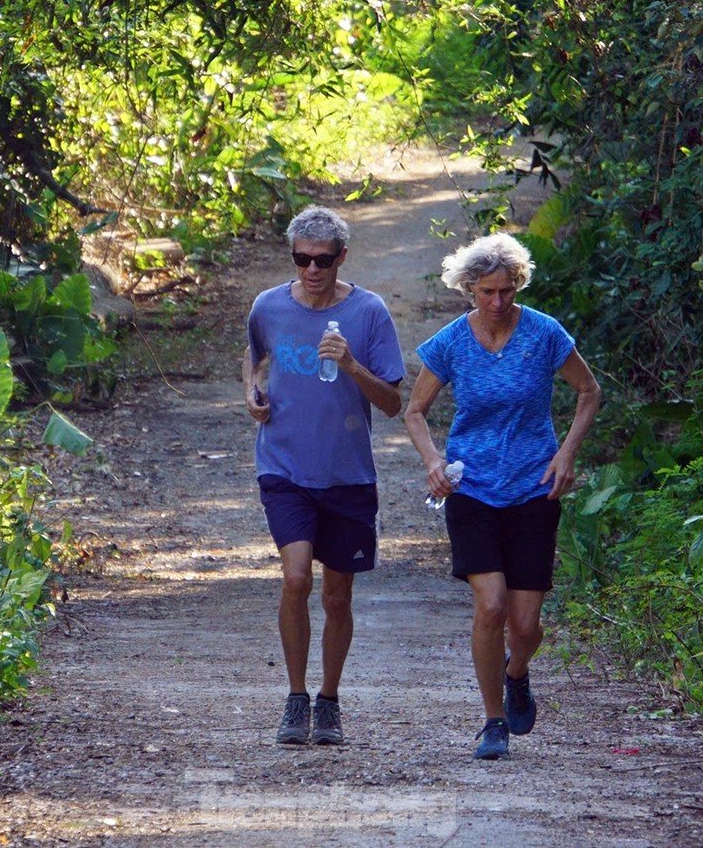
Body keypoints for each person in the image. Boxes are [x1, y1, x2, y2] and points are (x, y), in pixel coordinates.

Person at [403, 231, 600, 760]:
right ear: (469, 289)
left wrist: (566, 454)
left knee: (526, 625)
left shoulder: (544, 334)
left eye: (507, 291)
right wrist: (432, 462)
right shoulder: (450, 342)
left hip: (535, 487)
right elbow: (415, 411)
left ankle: (517, 672)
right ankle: (492, 721)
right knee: (490, 606)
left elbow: (589, 391)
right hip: (472, 489)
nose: (498, 302)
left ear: (518, 286)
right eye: (487, 292)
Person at [244, 205, 404, 746]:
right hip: (284, 467)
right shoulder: (268, 306)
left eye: (323, 260)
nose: (311, 270)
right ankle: (294, 697)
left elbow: (392, 404)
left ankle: (329, 700)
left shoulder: (369, 312)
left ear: (341, 258)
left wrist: (353, 364)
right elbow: (254, 357)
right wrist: (252, 395)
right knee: (295, 578)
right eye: (301, 259)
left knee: (338, 596)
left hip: (348, 476)